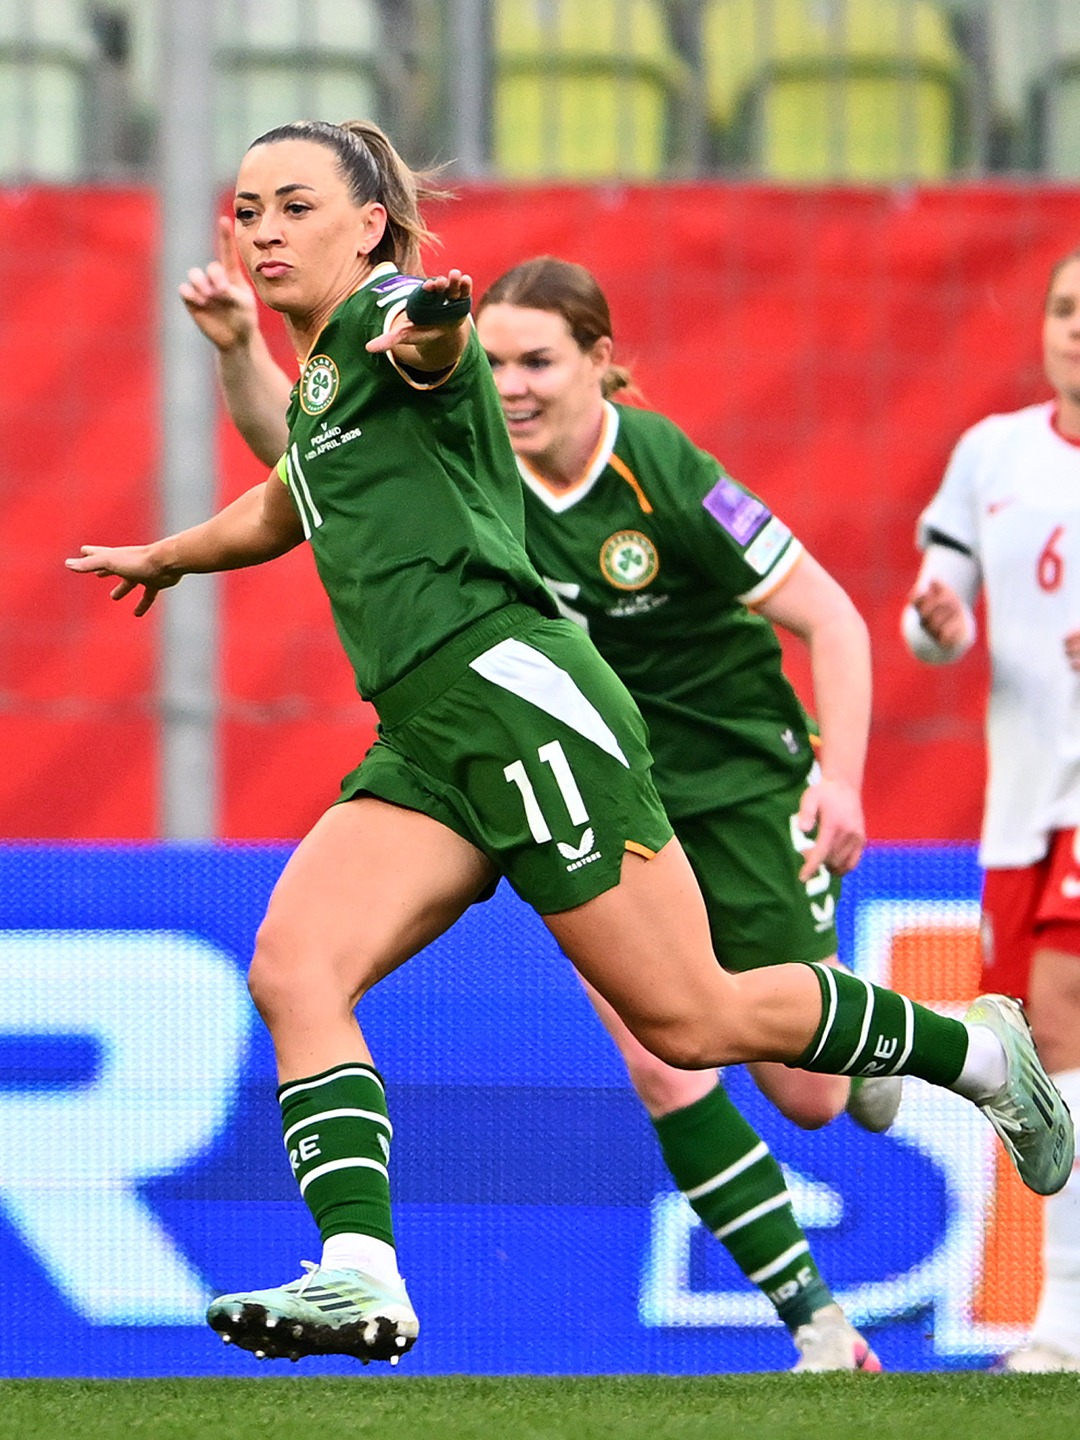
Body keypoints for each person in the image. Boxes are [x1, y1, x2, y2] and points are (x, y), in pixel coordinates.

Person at [67, 118, 1072, 1373]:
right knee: (292, 965)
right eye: (247, 208)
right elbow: (291, 500)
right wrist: (172, 553)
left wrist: (434, 315)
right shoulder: (327, 369)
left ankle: (979, 1052)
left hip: (519, 702)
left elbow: (435, 342)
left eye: (292, 207)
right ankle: (361, 1275)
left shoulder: (399, 324)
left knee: (694, 1022)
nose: (262, 229)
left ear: (369, 224)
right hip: (428, 734)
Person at [185, 237, 904, 1369]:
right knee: (663, 1055)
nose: (512, 385)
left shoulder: (662, 471)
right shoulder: (466, 449)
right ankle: (818, 1328)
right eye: (501, 363)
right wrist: (239, 351)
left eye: (539, 363)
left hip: (733, 785)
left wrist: (844, 777)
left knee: (806, 1098)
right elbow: (314, 461)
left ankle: (892, 1039)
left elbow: (836, 619)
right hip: (569, 772)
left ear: (599, 365)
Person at [904, 247, 1080, 1375]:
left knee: (1058, 1030)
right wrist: (936, 620)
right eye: (1066, 308)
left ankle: (1060, 1316)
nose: (1077, 328)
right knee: (1033, 1049)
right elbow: (934, 614)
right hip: (1022, 807)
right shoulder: (993, 454)